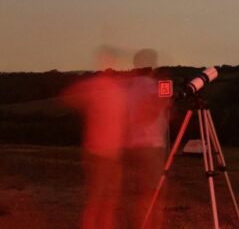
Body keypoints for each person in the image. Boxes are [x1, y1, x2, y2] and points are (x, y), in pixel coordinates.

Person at [62, 46, 129, 229]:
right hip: (103, 151)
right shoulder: (114, 90)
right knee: (101, 199)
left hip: (105, 151)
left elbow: (69, 97)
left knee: (105, 200)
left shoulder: (96, 88)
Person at [124, 48, 170, 228]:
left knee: (142, 192)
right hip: (151, 144)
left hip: (136, 143)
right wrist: (164, 103)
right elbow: (151, 113)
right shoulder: (150, 87)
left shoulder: (131, 86)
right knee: (154, 193)